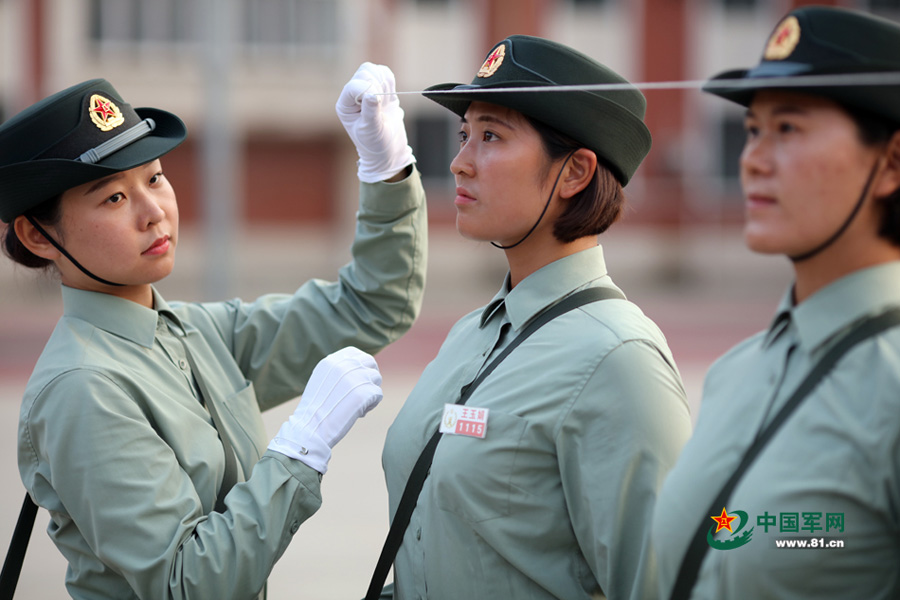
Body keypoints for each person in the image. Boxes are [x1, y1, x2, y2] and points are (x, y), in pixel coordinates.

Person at [0, 63, 426, 599]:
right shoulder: (83, 388)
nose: (154, 212)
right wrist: (300, 451)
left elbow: (372, 306)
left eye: (154, 178)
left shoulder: (196, 331)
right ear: (38, 237)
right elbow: (188, 583)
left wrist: (386, 169)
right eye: (113, 198)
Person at [374, 35, 692, 600]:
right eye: (465, 135)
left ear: (574, 173)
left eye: (492, 136)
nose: (459, 162)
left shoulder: (618, 358)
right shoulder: (470, 333)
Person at [651, 6, 900, 599]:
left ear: (891, 164)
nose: (752, 160)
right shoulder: (737, 371)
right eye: (753, 130)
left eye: (787, 129)